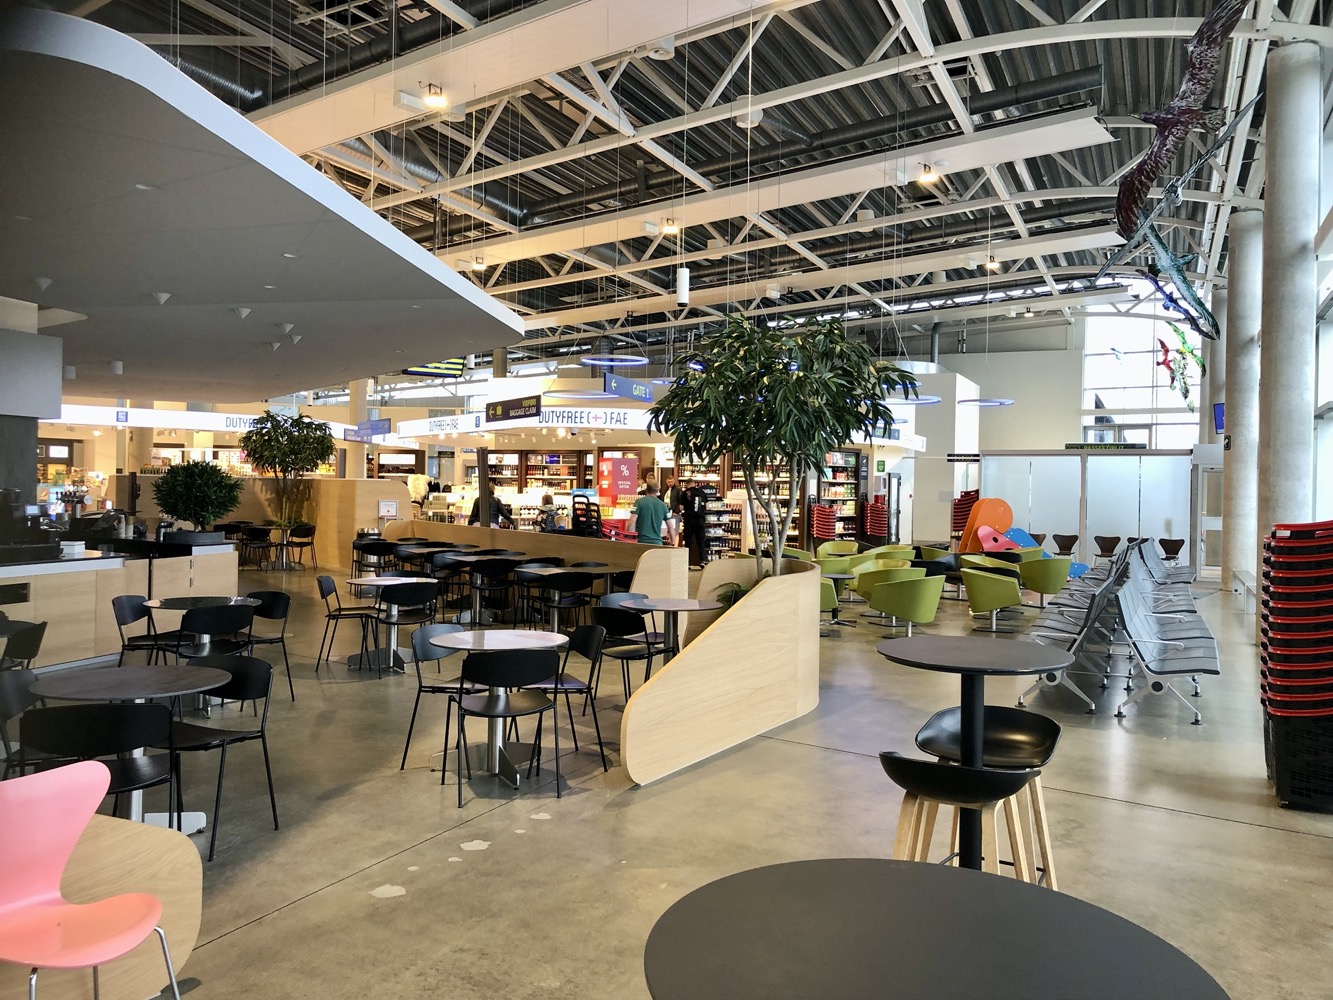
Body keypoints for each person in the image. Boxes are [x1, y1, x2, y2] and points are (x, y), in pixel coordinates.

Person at [681, 478, 709, 567]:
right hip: (700, 520)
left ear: (687, 484)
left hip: (689, 520)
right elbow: (707, 507)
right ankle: (702, 561)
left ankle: (687, 562)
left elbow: (681, 507)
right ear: (694, 483)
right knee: (700, 541)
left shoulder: (685, 493)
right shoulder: (702, 492)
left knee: (688, 541)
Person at [664, 473, 684, 546]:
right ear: (666, 482)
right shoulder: (665, 490)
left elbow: (681, 502)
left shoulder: (678, 490)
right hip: (667, 512)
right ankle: (669, 544)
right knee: (668, 530)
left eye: (671, 482)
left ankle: (675, 545)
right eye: (669, 482)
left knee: (675, 530)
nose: (670, 483)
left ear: (674, 481)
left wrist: (677, 511)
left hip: (675, 513)